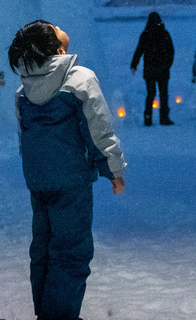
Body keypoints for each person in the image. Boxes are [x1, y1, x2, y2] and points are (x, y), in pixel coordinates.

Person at [9, 20, 126, 320]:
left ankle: (47, 313)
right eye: (55, 27)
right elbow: (98, 128)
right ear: (58, 49)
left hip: (39, 181)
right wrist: (113, 168)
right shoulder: (79, 80)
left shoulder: (24, 89)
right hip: (71, 180)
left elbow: (25, 138)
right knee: (71, 251)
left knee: (44, 250)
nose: (60, 25)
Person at [130, 11, 175, 126]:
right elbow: (171, 51)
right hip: (163, 69)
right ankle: (164, 117)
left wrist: (134, 64)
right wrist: (167, 64)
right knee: (163, 94)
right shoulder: (164, 34)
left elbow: (139, 50)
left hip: (150, 69)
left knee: (151, 94)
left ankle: (148, 117)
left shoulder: (146, 34)